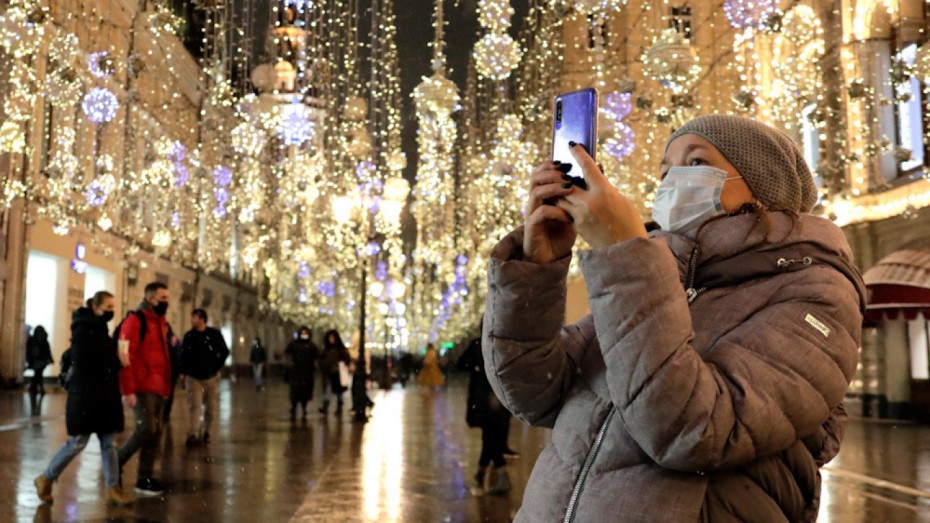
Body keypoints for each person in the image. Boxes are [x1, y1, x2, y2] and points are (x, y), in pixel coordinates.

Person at [483, 115, 865, 521]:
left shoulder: (816, 290)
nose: (672, 180)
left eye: (696, 163)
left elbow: (694, 432)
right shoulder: (660, 275)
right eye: (666, 170)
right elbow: (533, 393)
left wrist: (627, 254)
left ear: (763, 184)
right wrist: (535, 272)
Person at [34, 292, 132, 506]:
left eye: (113, 306)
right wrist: (117, 362)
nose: (111, 310)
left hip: (102, 396)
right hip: (87, 397)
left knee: (109, 443)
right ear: (96, 307)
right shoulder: (83, 330)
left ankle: (113, 487)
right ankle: (46, 478)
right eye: (107, 306)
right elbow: (88, 365)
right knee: (78, 442)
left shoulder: (99, 329)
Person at [117, 281, 172, 496]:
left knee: (155, 432)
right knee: (146, 428)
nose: (166, 303)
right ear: (150, 299)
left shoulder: (160, 322)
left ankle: (145, 477)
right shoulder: (135, 321)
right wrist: (128, 389)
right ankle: (117, 461)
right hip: (142, 385)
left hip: (158, 385)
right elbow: (124, 355)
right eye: (163, 299)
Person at [458, 332, 512, 496]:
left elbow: (461, 364)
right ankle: (481, 475)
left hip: (483, 399)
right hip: (500, 398)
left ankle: (500, 474)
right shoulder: (505, 343)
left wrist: (476, 367)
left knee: (489, 437)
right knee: (490, 437)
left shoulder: (477, 344)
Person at [180, 309, 229, 448]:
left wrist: (216, 366)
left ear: (202, 319)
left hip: (210, 377)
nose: (191, 320)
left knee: (211, 407)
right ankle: (193, 434)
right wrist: (184, 371)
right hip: (193, 377)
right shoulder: (189, 336)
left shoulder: (214, 335)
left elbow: (224, 351)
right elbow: (184, 355)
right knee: (194, 406)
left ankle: (206, 431)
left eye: (194, 317)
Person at [285, 327, 319, 420]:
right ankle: (294, 406)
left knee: (305, 391)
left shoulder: (311, 346)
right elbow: (287, 353)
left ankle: (304, 407)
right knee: (295, 391)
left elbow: (317, 356)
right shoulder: (294, 344)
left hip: (307, 372)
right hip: (297, 371)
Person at [318, 330, 350, 414]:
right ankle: (325, 406)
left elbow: (346, 359)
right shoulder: (326, 349)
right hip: (328, 373)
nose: (331, 339)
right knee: (328, 390)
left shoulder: (340, 349)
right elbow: (321, 359)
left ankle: (339, 407)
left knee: (339, 392)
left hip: (337, 373)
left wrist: (340, 365)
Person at [26, 325, 53, 399]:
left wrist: (28, 359)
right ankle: (39, 388)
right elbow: (47, 350)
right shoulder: (44, 339)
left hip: (36, 360)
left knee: (37, 374)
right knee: (39, 374)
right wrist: (50, 358)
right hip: (42, 360)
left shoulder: (32, 339)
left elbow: (28, 350)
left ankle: (35, 388)